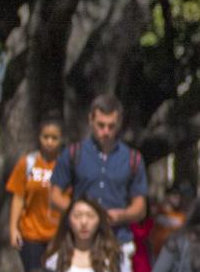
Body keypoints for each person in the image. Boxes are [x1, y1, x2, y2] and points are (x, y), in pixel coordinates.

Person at [48, 94, 148, 235]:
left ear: (119, 124)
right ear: (91, 120)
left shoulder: (133, 159)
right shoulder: (74, 153)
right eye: (101, 125)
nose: (106, 132)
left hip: (117, 238)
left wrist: (121, 215)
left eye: (111, 126)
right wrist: (81, 213)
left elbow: (140, 207)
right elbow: (54, 196)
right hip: (79, 239)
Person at [6, 119, 64, 272]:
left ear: (61, 139)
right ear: (39, 137)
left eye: (54, 138)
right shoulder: (27, 163)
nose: (49, 142)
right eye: (46, 137)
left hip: (58, 236)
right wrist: (13, 229)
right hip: (31, 235)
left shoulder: (65, 165)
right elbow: (18, 197)